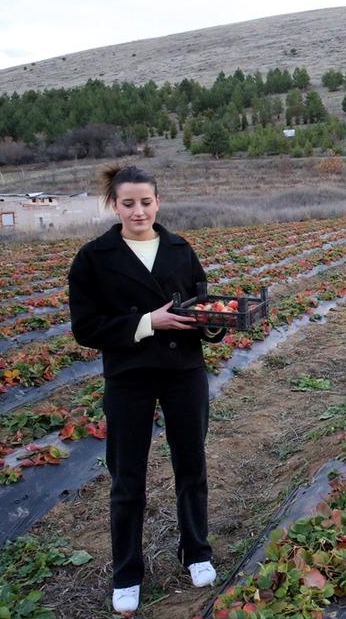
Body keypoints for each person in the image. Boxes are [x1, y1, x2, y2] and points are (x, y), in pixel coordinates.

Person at [68, 164, 225, 614]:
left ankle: (196, 551)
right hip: (128, 375)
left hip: (183, 370)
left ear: (158, 201)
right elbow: (86, 327)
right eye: (128, 203)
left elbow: (200, 305)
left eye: (146, 201)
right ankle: (127, 571)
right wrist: (146, 322)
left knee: (192, 466)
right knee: (127, 475)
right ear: (114, 205)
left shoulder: (179, 248)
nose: (139, 211)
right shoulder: (94, 257)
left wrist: (215, 325)